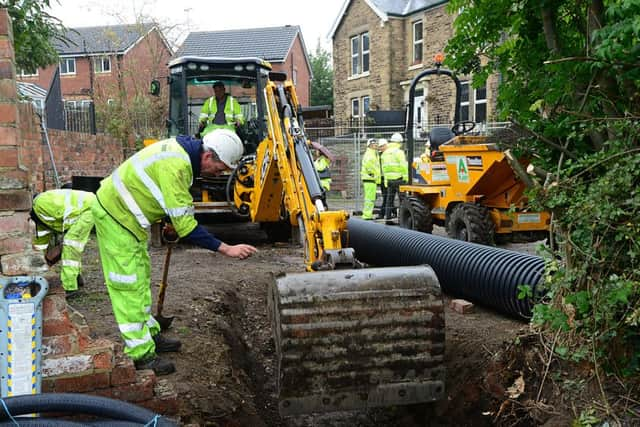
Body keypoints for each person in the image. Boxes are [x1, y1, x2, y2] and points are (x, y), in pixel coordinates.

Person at [91, 128, 257, 376]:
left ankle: (149, 335)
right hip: (116, 216)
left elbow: (161, 192)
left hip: (128, 218)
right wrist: (227, 249)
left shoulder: (182, 155)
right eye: (220, 168)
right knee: (127, 282)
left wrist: (170, 216)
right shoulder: (177, 165)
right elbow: (188, 228)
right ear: (208, 156)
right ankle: (141, 354)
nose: (219, 173)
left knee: (140, 277)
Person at [30, 189, 96, 297]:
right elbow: (39, 247)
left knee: (71, 245)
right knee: (71, 246)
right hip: (85, 206)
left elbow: (67, 214)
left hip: (88, 208)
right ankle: (76, 278)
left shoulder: (42, 204)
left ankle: (69, 287)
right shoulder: (39, 219)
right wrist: (39, 266)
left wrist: (59, 247)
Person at [380, 133, 409, 223]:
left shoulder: (384, 153)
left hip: (389, 180)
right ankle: (402, 218)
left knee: (389, 199)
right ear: (399, 142)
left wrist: (385, 180)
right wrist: (406, 178)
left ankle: (388, 218)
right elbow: (403, 166)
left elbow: (383, 168)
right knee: (403, 200)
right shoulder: (399, 152)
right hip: (399, 179)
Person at [360, 139, 381, 220]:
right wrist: (373, 175)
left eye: (376, 143)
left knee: (370, 198)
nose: (376, 145)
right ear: (369, 145)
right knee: (369, 198)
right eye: (374, 144)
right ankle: (367, 215)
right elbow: (370, 166)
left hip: (370, 179)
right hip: (370, 179)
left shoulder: (372, 153)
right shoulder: (370, 154)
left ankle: (368, 214)